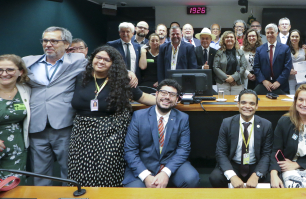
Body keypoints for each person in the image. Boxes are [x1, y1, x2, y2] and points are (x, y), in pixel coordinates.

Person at [67, 46, 156, 187]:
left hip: (111, 134)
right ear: (92, 59)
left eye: (106, 60)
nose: (101, 61)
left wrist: (168, 100)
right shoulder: (80, 77)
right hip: (81, 134)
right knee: (80, 171)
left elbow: (143, 97)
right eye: (98, 58)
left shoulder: (122, 80)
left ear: (113, 64)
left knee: (105, 172)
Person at [23, 26, 89, 185]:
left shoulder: (78, 60)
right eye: (45, 40)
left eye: (54, 41)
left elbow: (105, 65)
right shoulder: (27, 61)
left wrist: (129, 72)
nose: (48, 44)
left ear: (67, 44)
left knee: (69, 170)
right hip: (37, 124)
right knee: (40, 173)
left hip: (64, 124)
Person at [123, 79, 200, 188]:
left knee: (191, 178)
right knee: (134, 190)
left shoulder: (182, 118)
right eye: (163, 93)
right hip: (144, 165)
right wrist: (146, 176)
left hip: (171, 165)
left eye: (172, 95)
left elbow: (184, 149)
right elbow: (130, 150)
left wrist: (166, 172)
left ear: (177, 99)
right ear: (157, 94)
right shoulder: (139, 116)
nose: (167, 97)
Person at [209, 89, 273, 188]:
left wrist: (257, 175)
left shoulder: (266, 125)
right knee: (215, 177)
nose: (247, 106)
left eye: (252, 103)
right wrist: (232, 176)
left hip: (255, 165)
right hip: (234, 164)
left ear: (256, 106)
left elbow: (266, 154)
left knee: (271, 178)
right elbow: (220, 152)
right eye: (243, 103)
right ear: (238, 104)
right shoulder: (227, 123)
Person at [270, 84, 306, 188]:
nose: (304, 104)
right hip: (288, 167)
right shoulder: (284, 122)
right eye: (300, 100)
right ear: (295, 101)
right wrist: (273, 175)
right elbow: (275, 150)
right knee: (294, 185)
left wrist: (297, 165)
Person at [0, 54, 30, 184]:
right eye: (0, 70)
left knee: (13, 189)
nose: (4, 73)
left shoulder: (26, 90)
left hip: (16, 149)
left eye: (10, 70)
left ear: (20, 71)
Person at [253, 23, 292, 95]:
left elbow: (287, 67)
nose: (270, 35)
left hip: (281, 85)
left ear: (277, 33)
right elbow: (256, 67)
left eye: (272, 32)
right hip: (263, 85)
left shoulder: (285, 48)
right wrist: (264, 81)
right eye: (268, 33)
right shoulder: (259, 49)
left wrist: (279, 81)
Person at [286, 29, 306, 95]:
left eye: (297, 36)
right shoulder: (285, 49)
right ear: (289, 37)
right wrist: (288, 70)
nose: (294, 38)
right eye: (292, 36)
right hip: (290, 77)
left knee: (301, 96)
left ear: (300, 38)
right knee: (292, 97)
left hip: (302, 78)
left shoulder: (304, 49)